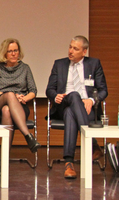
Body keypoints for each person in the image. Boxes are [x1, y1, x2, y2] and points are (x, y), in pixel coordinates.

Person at [46, 35, 108, 179]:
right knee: (73, 96)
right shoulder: (59, 64)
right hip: (63, 103)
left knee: (70, 113)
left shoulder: (94, 64)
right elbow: (49, 89)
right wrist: (55, 96)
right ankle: (93, 144)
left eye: (75, 49)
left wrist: (92, 100)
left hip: (86, 109)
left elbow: (103, 90)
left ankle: (69, 164)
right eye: (70, 47)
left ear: (84, 52)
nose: (71, 51)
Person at [0, 38, 41, 158]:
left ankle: (4, 159)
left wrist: (24, 98)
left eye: (15, 50)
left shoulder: (25, 68)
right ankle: (28, 136)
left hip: (19, 107)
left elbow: (33, 91)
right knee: (9, 97)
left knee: (7, 110)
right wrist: (11, 96)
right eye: (10, 51)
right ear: (4, 53)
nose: (13, 53)